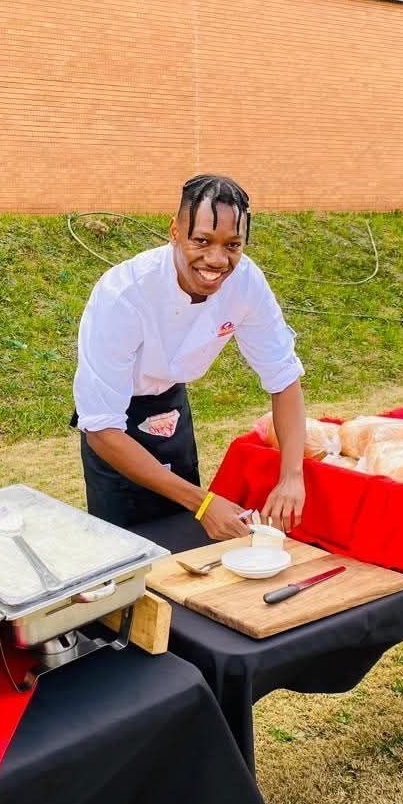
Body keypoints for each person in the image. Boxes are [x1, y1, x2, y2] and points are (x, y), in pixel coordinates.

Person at [72, 174, 308, 541]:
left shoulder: (246, 283)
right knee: (124, 555)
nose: (217, 260)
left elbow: (283, 377)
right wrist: (203, 503)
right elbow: (101, 429)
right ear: (175, 231)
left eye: (233, 245)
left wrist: (292, 476)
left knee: (186, 543)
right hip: (115, 427)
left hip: (172, 404)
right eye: (201, 240)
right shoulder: (123, 295)